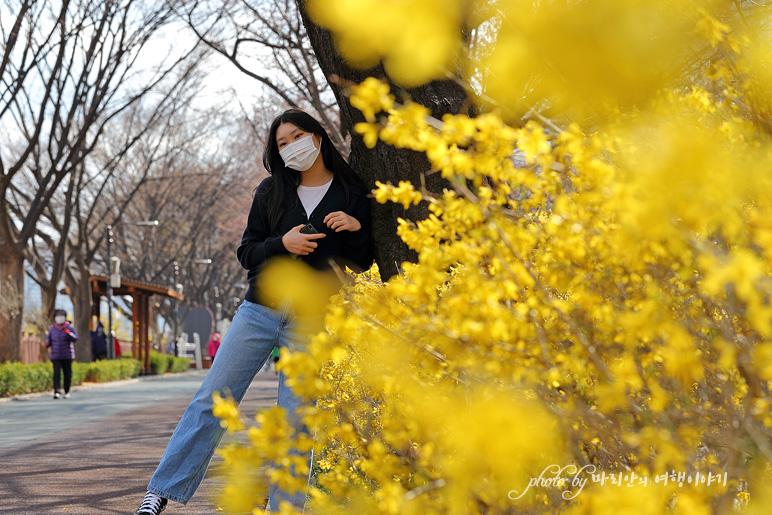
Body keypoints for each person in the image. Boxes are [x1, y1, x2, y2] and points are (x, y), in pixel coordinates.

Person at [134, 109, 374, 515]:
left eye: (297, 136)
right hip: (258, 311)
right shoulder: (270, 191)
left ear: (317, 138)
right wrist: (284, 244)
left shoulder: (351, 192)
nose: (290, 146)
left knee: (297, 421)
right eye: (281, 143)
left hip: (312, 321)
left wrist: (354, 226)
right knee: (212, 399)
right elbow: (247, 252)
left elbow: (362, 262)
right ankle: (159, 491)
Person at [45, 309, 78, 399]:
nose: (60, 318)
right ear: (55, 317)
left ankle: (67, 391)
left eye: (61, 315)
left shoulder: (69, 328)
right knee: (56, 374)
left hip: (67, 355)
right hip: (55, 355)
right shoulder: (52, 329)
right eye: (58, 316)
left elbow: (75, 338)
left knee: (67, 374)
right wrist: (47, 343)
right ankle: (57, 391)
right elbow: (49, 339)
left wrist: (69, 334)